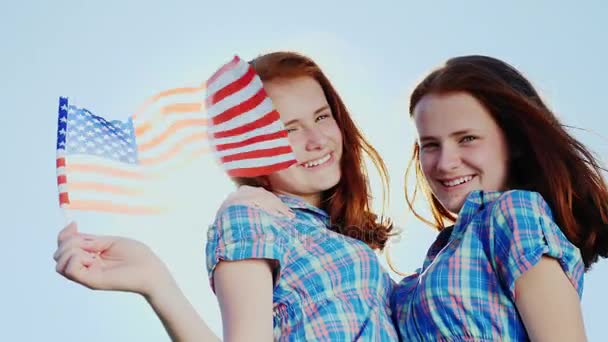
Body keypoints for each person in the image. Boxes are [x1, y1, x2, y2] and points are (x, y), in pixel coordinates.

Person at [232, 55, 608, 341]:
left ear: (515, 142)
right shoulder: (434, 266)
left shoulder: (514, 215)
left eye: (467, 139)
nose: (445, 163)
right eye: (430, 145)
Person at [53, 51, 400, 341]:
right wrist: (155, 283)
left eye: (322, 116)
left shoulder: (330, 234)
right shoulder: (252, 216)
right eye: (288, 130)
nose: (317, 139)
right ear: (250, 150)